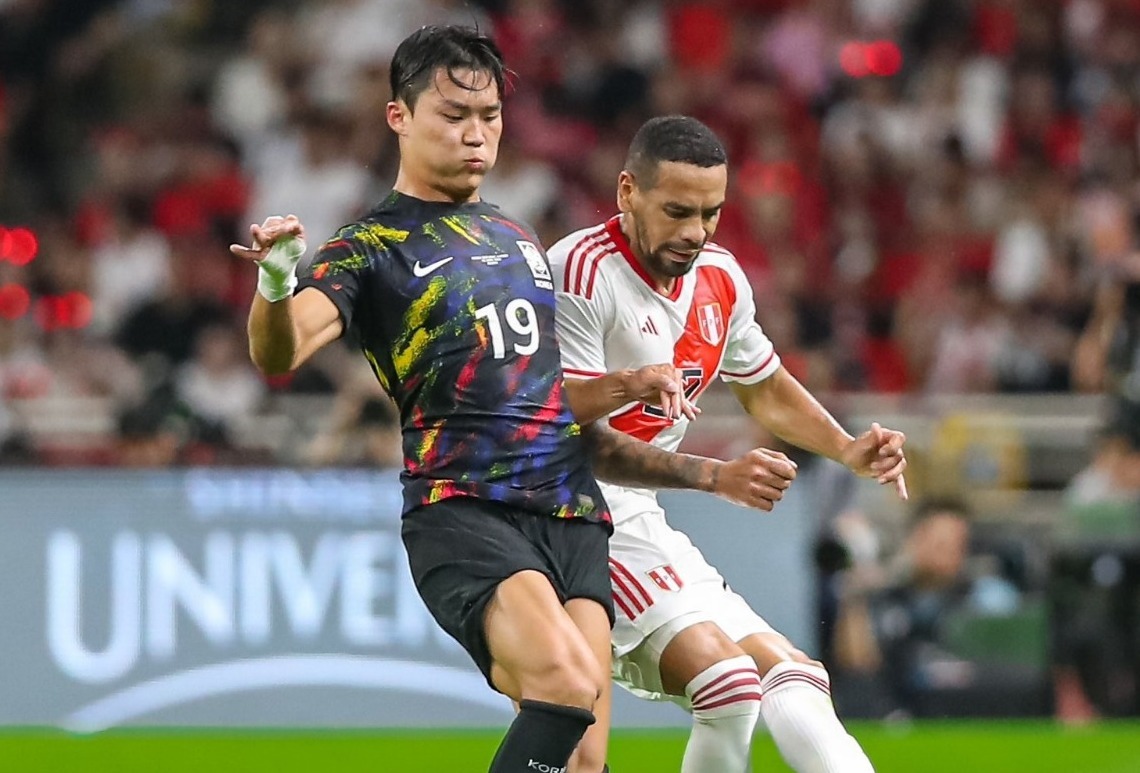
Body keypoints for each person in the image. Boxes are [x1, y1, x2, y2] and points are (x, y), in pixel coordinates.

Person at [230, 28, 789, 773]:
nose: (476, 135)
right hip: (467, 506)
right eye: (453, 115)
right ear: (399, 116)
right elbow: (279, 351)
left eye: (489, 116)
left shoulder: (516, 236)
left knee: (584, 757)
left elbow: (542, 398)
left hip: (572, 512)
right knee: (563, 684)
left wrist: (628, 385)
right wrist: (275, 283)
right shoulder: (369, 247)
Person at [549, 116, 909, 772]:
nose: (695, 232)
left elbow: (764, 385)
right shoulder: (579, 270)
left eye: (711, 213)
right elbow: (569, 429)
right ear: (627, 192)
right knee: (727, 682)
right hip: (572, 516)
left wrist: (846, 446)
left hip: (641, 518)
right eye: (677, 211)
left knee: (795, 675)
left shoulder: (720, 276)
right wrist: (714, 473)